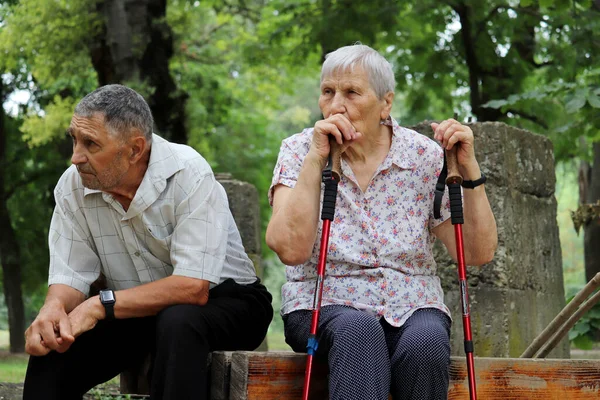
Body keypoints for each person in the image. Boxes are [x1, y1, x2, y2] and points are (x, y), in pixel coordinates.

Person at [266, 44, 497, 400]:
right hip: (323, 302)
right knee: (359, 331)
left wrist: (469, 169)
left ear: (385, 104)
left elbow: (476, 253)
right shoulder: (300, 150)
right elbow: (290, 250)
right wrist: (317, 159)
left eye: (352, 93)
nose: (336, 105)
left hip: (413, 303)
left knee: (426, 343)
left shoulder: (423, 156)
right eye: (328, 92)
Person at [23, 84, 273, 400]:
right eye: (74, 139)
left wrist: (101, 305)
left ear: (134, 150)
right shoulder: (72, 187)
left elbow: (193, 288)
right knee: (56, 343)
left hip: (226, 302)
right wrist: (53, 309)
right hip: (133, 311)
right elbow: (69, 277)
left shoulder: (188, 173)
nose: (76, 157)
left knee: (179, 320)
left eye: (90, 144)